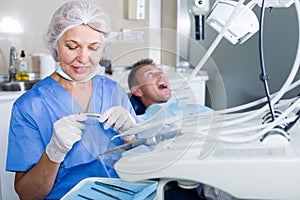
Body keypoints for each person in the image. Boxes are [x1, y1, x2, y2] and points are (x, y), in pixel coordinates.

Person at [6, 1, 136, 199]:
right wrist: (54, 153)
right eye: (72, 46)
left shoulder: (112, 91)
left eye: (94, 48)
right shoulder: (30, 107)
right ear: (55, 46)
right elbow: (27, 194)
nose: (83, 58)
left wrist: (131, 137)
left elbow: (140, 163)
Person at [128, 58, 239, 200]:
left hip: (233, 140)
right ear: (137, 90)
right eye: (150, 74)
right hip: (214, 165)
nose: (161, 76)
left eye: (161, 72)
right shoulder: (147, 118)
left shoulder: (188, 107)